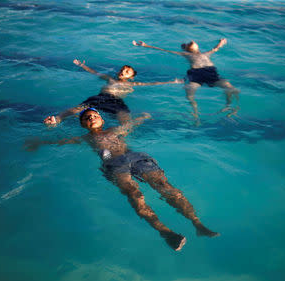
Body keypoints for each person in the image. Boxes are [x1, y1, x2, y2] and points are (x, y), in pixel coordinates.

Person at [29, 108, 219, 251]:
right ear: (83, 125)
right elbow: (62, 141)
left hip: (136, 157)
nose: (91, 118)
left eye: (94, 115)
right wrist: (40, 140)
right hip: (114, 165)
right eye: (87, 118)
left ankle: (197, 224)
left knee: (166, 187)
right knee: (134, 193)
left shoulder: (114, 130)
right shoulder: (86, 138)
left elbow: (130, 125)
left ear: (101, 119)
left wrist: (143, 117)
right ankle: (165, 232)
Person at [43, 60, 183, 125]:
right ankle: (58, 118)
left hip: (116, 102)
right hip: (101, 98)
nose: (123, 71)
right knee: (79, 108)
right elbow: (95, 72)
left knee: (125, 120)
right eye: (122, 69)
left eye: (127, 71)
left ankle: (119, 137)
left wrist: (173, 82)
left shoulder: (133, 83)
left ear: (131, 76)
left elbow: (153, 83)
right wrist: (82, 65)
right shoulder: (109, 78)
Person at [132, 39, 239, 124]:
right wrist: (146, 45)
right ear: (187, 49)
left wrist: (221, 43)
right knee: (189, 92)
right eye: (189, 43)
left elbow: (215, 49)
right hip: (196, 74)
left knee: (229, 86)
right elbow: (166, 50)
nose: (192, 41)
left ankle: (228, 106)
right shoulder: (186, 54)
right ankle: (195, 114)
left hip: (210, 73)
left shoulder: (206, 53)